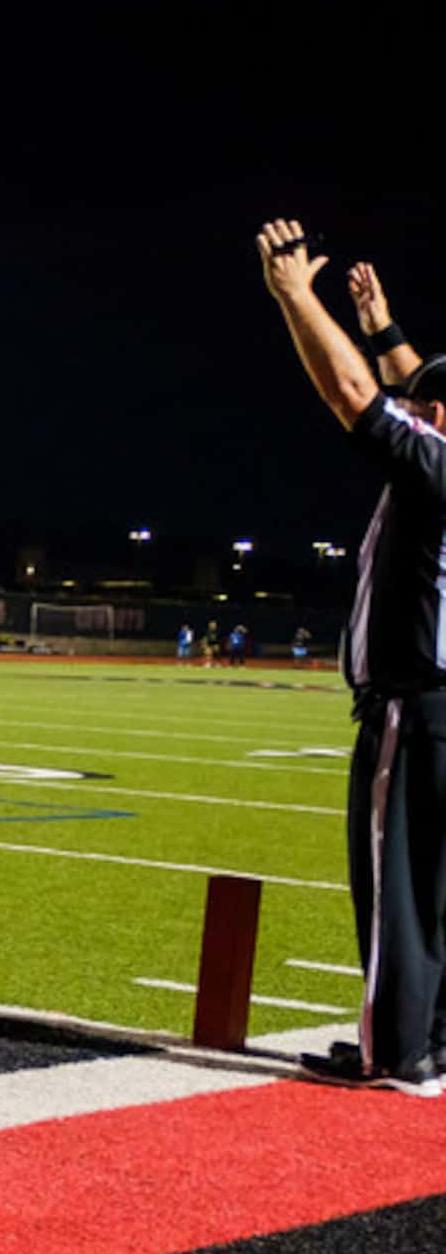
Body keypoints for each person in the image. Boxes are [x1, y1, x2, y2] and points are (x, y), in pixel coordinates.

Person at [258, 218, 446, 1096]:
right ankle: (431, 1044)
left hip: (416, 703)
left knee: (397, 887)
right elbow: (414, 386)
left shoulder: (435, 463)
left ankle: (394, 1054)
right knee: (438, 890)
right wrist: (382, 323)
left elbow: (353, 397)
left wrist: (297, 297)